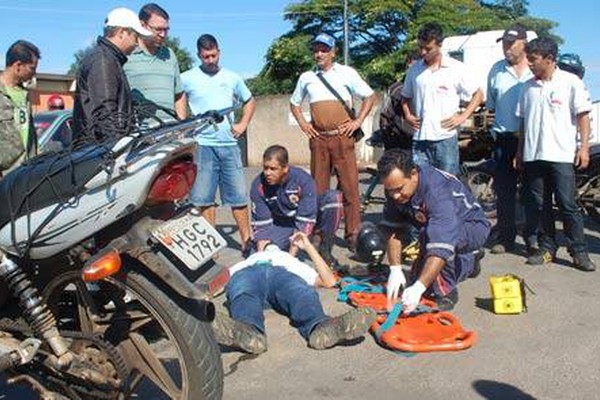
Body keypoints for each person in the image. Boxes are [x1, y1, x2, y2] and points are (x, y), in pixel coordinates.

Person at [212, 231, 376, 354]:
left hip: (282, 274)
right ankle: (248, 333)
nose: (269, 242)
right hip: (250, 273)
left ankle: (321, 327)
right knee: (243, 293)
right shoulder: (247, 261)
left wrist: (308, 247)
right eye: (263, 240)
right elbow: (216, 283)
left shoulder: (290, 260)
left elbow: (330, 281)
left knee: (301, 293)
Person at [290, 33, 376, 251]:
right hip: (318, 139)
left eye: (324, 49)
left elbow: (370, 96)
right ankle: (319, 234)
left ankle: (353, 234)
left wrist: (357, 122)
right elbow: (294, 104)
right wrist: (304, 125)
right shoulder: (306, 77)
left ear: (333, 52)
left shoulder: (347, 73)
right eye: (316, 49)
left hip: (342, 138)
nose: (319, 54)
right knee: (318, 190)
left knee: (350, 189)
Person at [515, 37, 595, 271]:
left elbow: (583, 117)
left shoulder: (570, 83)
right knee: (540, 206)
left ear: (549, 59)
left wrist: (583, 148)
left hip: (560, 155)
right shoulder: (527, 87)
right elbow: (522, 123)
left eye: (533, 59)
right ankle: (547, 248)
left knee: (567, 204)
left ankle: (578, 251)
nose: (529, 63)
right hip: (533, 156)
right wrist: (520, 151)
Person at [378, 149, 490, 313]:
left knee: (430, 270)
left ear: (414, 174)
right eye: (389, 190)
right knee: (417, 275)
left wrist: (419, 288)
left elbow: (440, 245)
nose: (394, 196)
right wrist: (395, 269)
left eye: (399, 189)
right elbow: (394, 230)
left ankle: (447, 290)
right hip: (439, 227)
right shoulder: (394, 186)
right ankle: (470, 261)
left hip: (472, 226)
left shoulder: (437, 193)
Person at [181, 34, 255, 254]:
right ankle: (210, 247)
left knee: (239, 197)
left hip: (229, 145)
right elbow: (178, 100)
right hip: (202, 146)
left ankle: (246, 242)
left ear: (219, 52)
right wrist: (184, 129)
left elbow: (249, 100)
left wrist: (242, 124)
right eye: (206, 57)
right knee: (204, 199)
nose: (210, 60)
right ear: (198, 55)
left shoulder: (232, 77)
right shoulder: (186, 78)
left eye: (213, 55)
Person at [401, 22, 483, 176]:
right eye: (420, 47)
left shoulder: (456, 68)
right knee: (421, 186)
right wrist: (408, 115)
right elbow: (405, 97)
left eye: (428, 48)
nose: (423, 52)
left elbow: (478, 94)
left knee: (447, 186)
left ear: (440, 45)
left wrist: (463, 116)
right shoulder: (414, 70)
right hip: (420, 140)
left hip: (445, 139)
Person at [485, 25, 534, 254]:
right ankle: (505, 238)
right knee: (504, 192)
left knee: (534, 192)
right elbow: (491, 106)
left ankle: (534, 240)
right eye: (504, 43)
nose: (506, 48)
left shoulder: (535, 68)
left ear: (523, 43)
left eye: (511, 43)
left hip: (533, 139)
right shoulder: (496, 70)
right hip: (504, 139)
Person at [250, 145, 343, 264]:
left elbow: (305, 221)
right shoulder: (258, 185)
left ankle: (324, 249)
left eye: (273, 169)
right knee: (261, 256)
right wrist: (260, 258)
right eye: (265, 168)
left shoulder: (302, 179)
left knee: (333, 199)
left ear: (285, 168)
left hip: (308, 219)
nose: (267, 173)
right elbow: (263, 227)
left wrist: (290, 261)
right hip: (282, 224)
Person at [72, 7, 152, 142]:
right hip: (98, 151)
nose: (137, 43)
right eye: (135, 37)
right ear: (122, 32)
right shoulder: (103, 61)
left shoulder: (108, 59)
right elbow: (106, 112)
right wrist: (119, 149)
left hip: (100, 149)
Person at [124, 3, 187, 125]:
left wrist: (181, 125)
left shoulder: (170, 54)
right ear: (142, 25)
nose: (163, 34)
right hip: (140, 135)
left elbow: (179, 95)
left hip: (170, 132)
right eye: (158, 29)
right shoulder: (126, 55)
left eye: (166, 30)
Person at [0, 40, 40, 177]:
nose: (34, 73)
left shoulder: (25, 95)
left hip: (26, 176)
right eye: (32, 68)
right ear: (18, 66)